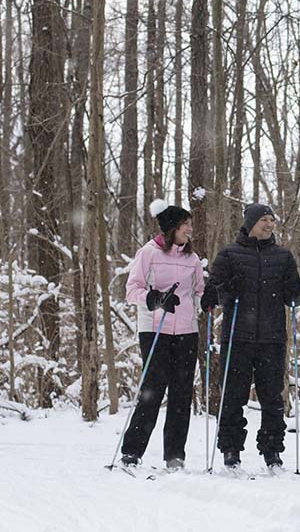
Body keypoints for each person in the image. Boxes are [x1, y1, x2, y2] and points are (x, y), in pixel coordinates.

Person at [201, 204, 300, 470]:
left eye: (272, 220)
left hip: (272, 338)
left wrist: (295, 294)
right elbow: (212, 291)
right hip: (238, 337)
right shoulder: (229, 254)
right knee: (234, 396)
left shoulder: (283, 256)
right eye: (263, 220)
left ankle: (272, 451)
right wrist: (222, 291)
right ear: (250, 223)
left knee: (272, 397)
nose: (269, 225)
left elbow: (295, 292)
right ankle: (230, 449)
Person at [121, 199, 205, 471]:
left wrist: (211, 297)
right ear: (171, 228)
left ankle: (174, 456)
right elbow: (132, 290)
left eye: (190, 225)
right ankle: (132, 451)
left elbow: (200, 293)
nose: (190, 230)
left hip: (186, 331)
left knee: (182, 394)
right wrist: (155, 299)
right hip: (155, 329)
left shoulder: (192, 259)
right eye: (185, 225)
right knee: (152, 391)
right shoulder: (148, 253)